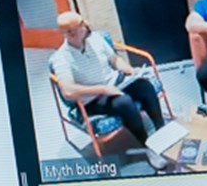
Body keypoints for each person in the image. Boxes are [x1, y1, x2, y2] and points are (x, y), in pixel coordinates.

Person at [51, 11, 168, 170]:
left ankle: (161, 132)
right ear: (70, 33)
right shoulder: (61, 58)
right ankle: (148, 146)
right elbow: (68, 91)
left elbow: (114, 59)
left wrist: (127, 69)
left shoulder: (96, 39)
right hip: (93, 98)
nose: (87, 24)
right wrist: (103, 89)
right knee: (124, 102)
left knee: (144, 86)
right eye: (81, 25)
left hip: (115, 83)